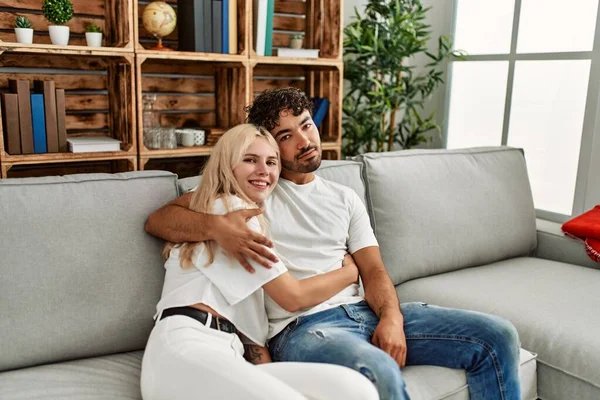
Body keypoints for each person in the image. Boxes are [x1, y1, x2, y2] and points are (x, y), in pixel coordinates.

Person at [145, 88, 522, 400]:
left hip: (364, 310)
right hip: (304, 327)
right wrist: (219, 227)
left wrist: (391, 318)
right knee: (377, 371)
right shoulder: (253, 189)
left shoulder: (345, 198)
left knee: (498, 336)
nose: (303, 141)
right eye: (285, 136)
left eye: (306, 126)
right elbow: (161, 219)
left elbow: (374, 270)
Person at [140, 124, 379, 400]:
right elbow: (293, 296)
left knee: (355, 389)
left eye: (271, 162)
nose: (264, 170)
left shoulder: (242, 222)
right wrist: (351, 272)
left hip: (229, 354)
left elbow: (254, 337)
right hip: (186, 347)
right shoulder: (230, 211)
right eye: (250, 160)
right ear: (227, 166)